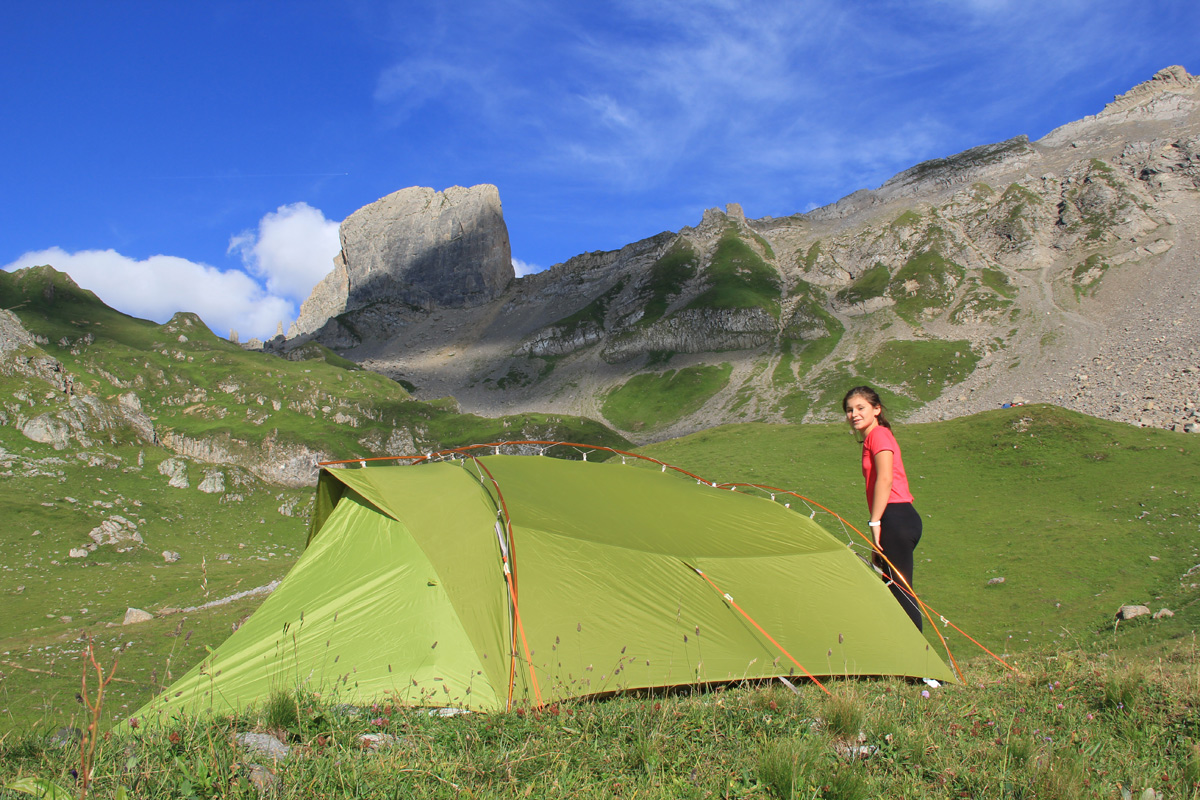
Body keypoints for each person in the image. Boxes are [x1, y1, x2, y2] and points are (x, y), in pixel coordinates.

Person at [842, 386, 924, 630]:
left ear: (876, 410)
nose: (854, 414)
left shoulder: (879, 435)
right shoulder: (874, 437)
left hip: (895, 515)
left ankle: (919, 660)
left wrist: (875, 523)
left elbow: (885, 479)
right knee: (893, 588)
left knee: (900, 591)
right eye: (849, 410)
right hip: (896, 517)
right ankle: (906, 659)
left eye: (860, 408)